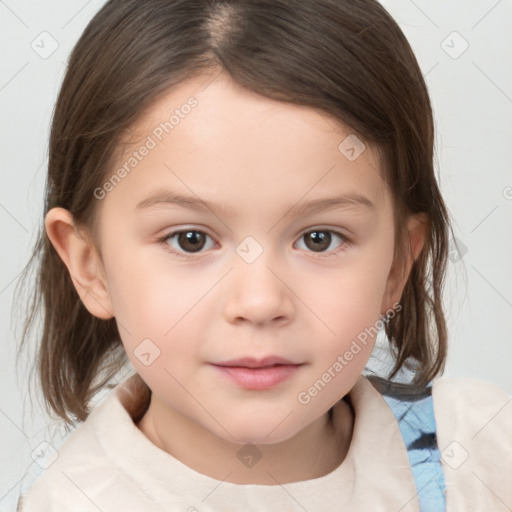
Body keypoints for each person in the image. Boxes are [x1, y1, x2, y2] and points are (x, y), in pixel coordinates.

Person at [14, 0, 512, 510]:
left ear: (396, 265)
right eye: (190, 239)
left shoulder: (481, 457)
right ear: (89, 265)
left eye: (319, 238)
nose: (259, 301)